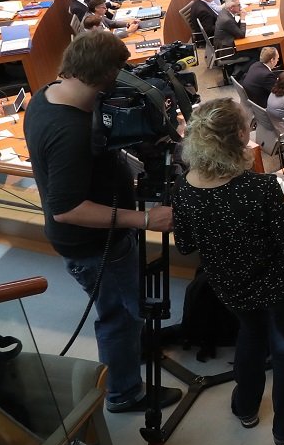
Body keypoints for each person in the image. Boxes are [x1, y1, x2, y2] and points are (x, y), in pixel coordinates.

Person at [23, 31, 181, 414]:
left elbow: (99, 143)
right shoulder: (69, 132)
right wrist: (143, 218)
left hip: (102, 239)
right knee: (119, 317)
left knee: (127, 307)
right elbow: (68, 208)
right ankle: (125, 393)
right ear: (107, 75)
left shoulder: (47, 96)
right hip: (95, 246)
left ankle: (134, 353)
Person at [172, 99, 284, 445]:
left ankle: (245, 406)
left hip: (229, 286)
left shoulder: (184, 189)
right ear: (238, 136)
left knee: (250, 336)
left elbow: (185, 244)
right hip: (277, 287)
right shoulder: (259, 188)